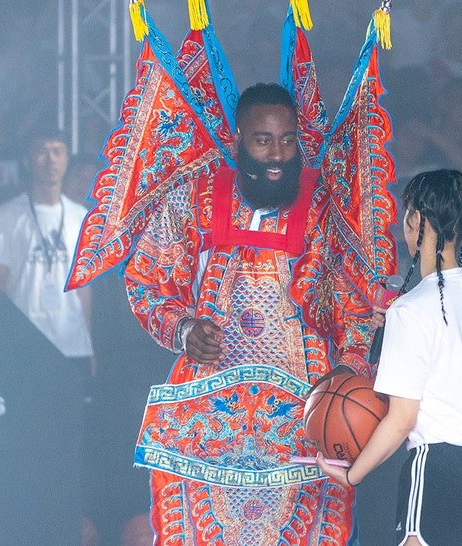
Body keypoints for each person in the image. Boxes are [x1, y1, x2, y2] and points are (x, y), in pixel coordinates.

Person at [124, 83, 375, 545]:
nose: (278, 153)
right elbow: (145, 280)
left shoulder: (327, 206)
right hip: (207, 425)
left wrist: (348, 376)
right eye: (263, 140)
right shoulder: (191, 197)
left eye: (288, 139)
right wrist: (183, 329)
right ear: (239, 138)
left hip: (303, 423)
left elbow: (355, 306)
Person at [318, 169, 462, 545]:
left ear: (417, 221)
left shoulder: (410, 310)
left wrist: (353, 474)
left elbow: (402, 419)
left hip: (443, 469)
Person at [0, 129, 94, 363]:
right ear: (29, 161)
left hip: (71, 343)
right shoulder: (5, 216)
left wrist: (89, 343)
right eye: (42, 152)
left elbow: (84, 288)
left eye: (58, 152)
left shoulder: (81, 218)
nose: (51, 159)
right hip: (23, 344)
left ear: (67, 159)